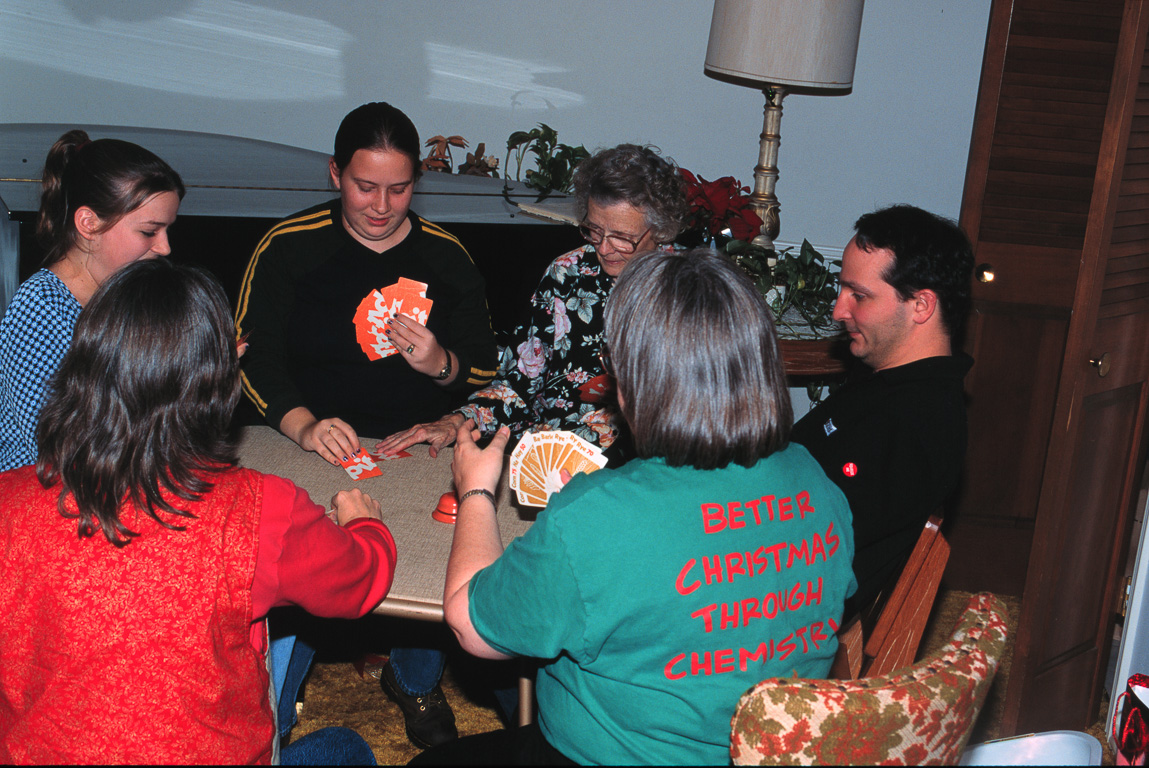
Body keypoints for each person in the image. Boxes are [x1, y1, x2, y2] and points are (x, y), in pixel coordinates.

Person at [415, 249, 856, 765]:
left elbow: (471, 626)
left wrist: (475, 492)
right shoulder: (815, 479)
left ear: (630, 377)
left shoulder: (598, 514)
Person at [0, 259, 395, 765]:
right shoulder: (261, 507)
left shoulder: (10, 504)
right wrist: (366, 525)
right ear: (216, 377)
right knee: (346, 749)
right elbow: (358, 582)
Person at [235, 102, 497, 748]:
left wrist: (443, 372)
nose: (381, 205)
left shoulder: (447, 256)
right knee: (285, 554)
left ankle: (412, 677)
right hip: (303, 443)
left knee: (440, 555)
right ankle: (276, 699)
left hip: (414, 446)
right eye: (364, 186)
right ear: (334, 175)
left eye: (399, 188)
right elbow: (249, 354)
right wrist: (301, 424)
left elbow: (489, 371)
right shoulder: (286, 247)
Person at [377, 143, 689, 464]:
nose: (604, 248)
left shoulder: (693, 290)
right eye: (594, 230)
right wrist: (460, 419)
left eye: (623, 237)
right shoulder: (567, 272)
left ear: (661, 229)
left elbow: (698, 411)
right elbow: (519, 382)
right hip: (541, 455)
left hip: (639, 464)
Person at [790, 204, 975, 610]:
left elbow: (805, 542)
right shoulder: (883, 381)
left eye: (859, 296)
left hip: (768, 618)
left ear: (921, 306)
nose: (840, 311)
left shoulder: (919, 421)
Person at [0, 129, 184, 471]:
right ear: (89, 223)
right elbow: (57, 451)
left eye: (167, 230)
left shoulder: (120, 301)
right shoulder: (41, 309)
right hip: (39, 501)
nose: (164, 247)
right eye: (149, 231)